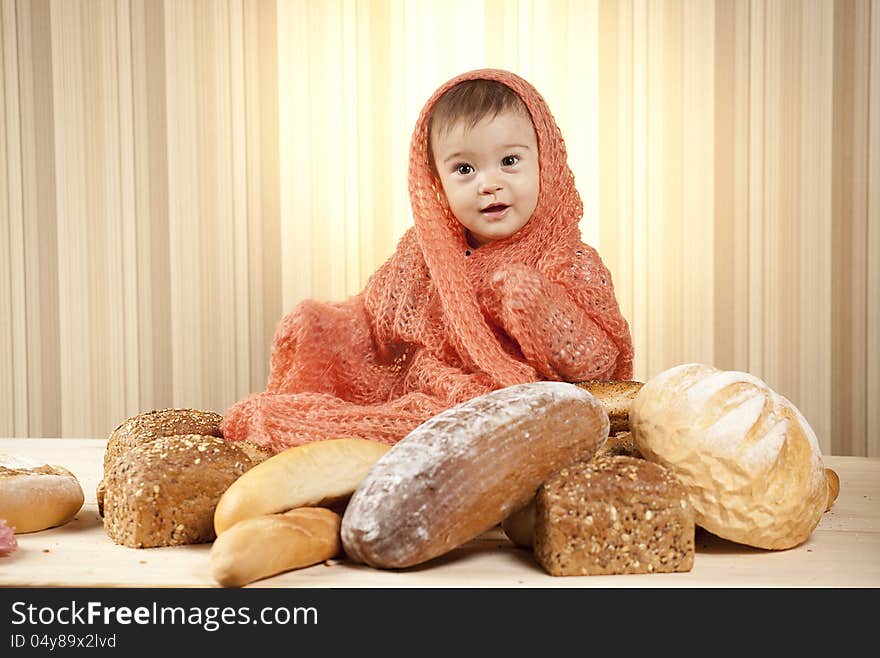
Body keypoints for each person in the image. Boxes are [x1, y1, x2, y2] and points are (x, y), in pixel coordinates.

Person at [221, 68, 633, 453]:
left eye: (509, 161)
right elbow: (373, 320)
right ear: (436, 182)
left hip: (518, 407)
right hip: (426, 395)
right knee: (315, 414)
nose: (489, 184)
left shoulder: (568, 260)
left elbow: (599, 363)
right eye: (465, 169)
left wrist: (537, 305)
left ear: (546, 161)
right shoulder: (427, 253)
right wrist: (322, 324)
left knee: (445, 428)